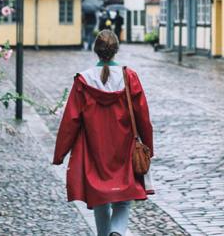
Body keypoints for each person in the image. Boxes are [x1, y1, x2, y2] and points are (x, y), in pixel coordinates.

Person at [53, 30, 154, 236]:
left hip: (94, 148)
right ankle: (117, 231)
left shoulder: (83, 80)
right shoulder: (129, 77)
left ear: (96, 51)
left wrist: (60, 153)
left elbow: (70, 120)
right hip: (124, 147)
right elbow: (142, 115)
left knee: (100, 198)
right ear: (116, 50)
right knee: (124, 200)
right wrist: (149, 146)